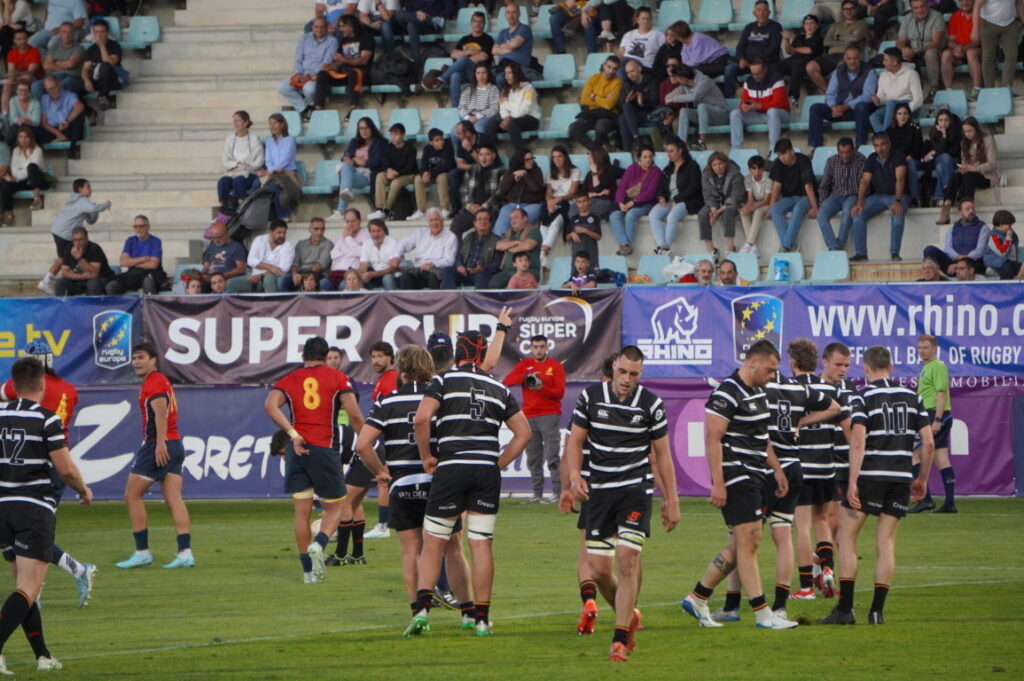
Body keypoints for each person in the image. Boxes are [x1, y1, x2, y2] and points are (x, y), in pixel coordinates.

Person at [404, 330, 532, 638]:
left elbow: (421, 420)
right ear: (482, 354)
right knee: (481, 544)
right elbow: (524, 433)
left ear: (456, 354)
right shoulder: (498, 387)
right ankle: (482, 620)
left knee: (434, 541)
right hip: (484, 471)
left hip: (452, 466)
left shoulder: (444, 380)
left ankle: (421, 611)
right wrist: (497, 464)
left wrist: (426, 457)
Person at [710, 340, 840, 623]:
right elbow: (834, 407)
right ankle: (781, 605)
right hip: (792, 466)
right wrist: (799, 424)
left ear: (791, 361)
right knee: (784, 537)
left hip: (760, 466)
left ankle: (732, 604)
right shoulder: (798, 388)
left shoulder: (758, 388)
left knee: (740, 537)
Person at [565, 345, 679, 660]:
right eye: (624, 371)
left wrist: (672, 499)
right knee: (599, 570)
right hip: (599, 491)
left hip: (634, 490)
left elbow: (663, 454)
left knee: (627, 559)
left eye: (634, 374)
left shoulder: (651, 404)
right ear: (614, 366)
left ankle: (619, 640)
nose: (627, 379)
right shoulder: (590, 397)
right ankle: (628, 614)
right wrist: (575, 476)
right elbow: (575, 440)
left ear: (641, 374)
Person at [680, 340, 799, 631]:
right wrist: (718, 483)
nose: (773, 375)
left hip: (757, 473)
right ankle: (762, 613)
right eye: (770, 370)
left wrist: (777, 470)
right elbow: (712, 438)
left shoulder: (759, 392)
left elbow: (762, 437)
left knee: (740, 545)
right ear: (754, 363)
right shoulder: (727, 392)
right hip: (737, 474)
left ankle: (697, 597)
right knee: (751, 540)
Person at [355, 344, 474, 625]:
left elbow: (363, 445)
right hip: (439, 482)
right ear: (429, 367)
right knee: (453, 547)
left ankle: (418, 613)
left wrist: (381, 471)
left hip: (403, 483)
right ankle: (469, 613)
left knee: (411, 551)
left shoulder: (387, 401)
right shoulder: (442, 398)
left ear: (401, 368)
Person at [819, 346, 934, 626]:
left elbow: (857, 441)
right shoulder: (912, 396)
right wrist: (922, 479)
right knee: (886, 543)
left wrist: (854, 481)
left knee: (847, 538)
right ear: (892, 367)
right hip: (900, 478)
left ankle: (845, 609)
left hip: (871, 475)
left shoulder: (863, 397)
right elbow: (929, 442)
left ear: (866, 369)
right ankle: (876, 612)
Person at [0, 356, 92, 675]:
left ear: (12, 386)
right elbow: (65, 468)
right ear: (41, 385)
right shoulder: (47, 419)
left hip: (2, 507)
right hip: (33, 507)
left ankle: (43, 656)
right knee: (28, 589)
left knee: (23, 590)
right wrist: (83, 490)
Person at [264, 336, 364, 583]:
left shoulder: (290, 379)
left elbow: (270, 406)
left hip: (297, 451)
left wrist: (293, 434)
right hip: (325, 449)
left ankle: (308, 572)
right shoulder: (337, 378)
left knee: (301, 514)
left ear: (303, 357)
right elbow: (354, 414)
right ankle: (320, 543)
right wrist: (366, 440)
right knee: (336, 507)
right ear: (325, 356)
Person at [115, 342, 194, 570]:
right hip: (174, 443)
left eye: (141, 357)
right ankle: (185, 553)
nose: (136, 362)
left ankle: (142, 552)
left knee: (131, 495)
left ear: (153, 360)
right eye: (134, 358)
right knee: (173, 499)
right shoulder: (158, 381)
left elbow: (161, 411)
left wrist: (159, 444)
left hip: (158, 444)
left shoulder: (155, 382)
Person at [788, 338, 852, 600]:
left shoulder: (788, 389)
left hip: (801, 466)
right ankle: (826, 568)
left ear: (792, 362)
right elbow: (848, 430)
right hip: (827, 466)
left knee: (801, 527)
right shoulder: (829, 390)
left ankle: (805, 587)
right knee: (822, 520)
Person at [504, 335, 566, 503]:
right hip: (529, 416)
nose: (539, 350)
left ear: (547, 348)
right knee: (533, 457)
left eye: (541, 346)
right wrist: (524, 377)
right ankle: (537, 493)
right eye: (535, 347)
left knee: (552, 456)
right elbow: (507, 381)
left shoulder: (555, 366)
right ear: (530, 348)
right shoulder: (525, 365)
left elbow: (559, 393)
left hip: (549, 415)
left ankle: (558, 492)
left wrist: (542, 387)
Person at [38, 177, 109, 295]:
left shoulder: (73, 201)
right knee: (63, 259)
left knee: (63, 258)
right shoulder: (82, 201)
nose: (90, 190)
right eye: (88, 187)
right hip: (65, 233)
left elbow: (91, 219)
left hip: (58, 231)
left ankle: (50, 280)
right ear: (80, 189)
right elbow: (93, 208)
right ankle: (46, 281)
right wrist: (106, 204)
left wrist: (95, 211)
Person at [850, 132, 911, 261]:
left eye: (883, 145)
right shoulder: (871, 158)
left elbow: (900, 179)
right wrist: (859, 203)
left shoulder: (898, 155)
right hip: (878, 196)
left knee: (897, 214)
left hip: (898, 195)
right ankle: (861, 253)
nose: (880, 148)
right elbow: (865, 181)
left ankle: (895, 253)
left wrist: (898, 201)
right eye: (877, 146)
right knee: (857, 215)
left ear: (889, 144)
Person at [808, 46, 876, 151]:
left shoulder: (869, 71)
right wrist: (833, 107)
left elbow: (867, 95)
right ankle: (816, 147)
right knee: (815, 108)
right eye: (849, 58)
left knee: (862, 107)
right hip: (839, 110)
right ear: (845, 58)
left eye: (855, 58)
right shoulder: (838, 71)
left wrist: (846, 106)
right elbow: (831, 93)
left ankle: (860, 145)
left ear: (860, 58)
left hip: (857, 111)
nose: (852, 61)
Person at [648, 139, 702, 256]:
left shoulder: (692, 166)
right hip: (670, 201)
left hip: (688, 200)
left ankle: (664, 247)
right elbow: (661, 187)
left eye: (671, 151)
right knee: (653, 215)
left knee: (672, 216)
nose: (669, 154)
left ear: (680, 151)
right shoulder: (667, 169)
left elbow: (694, 187)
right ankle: (662, 245)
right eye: (667, 151)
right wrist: (661, 196)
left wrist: (677, 199)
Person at [938, 117, 998, 223]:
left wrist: (975, 168)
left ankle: (966, 210)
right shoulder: (964, 142)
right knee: (955, 175)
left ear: (976, 129)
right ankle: (946, 206)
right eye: (965, 131)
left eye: (970, 131)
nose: (967, 134)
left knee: (969, 176)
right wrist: (963, 168)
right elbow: (964, 161)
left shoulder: (988, 139)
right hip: (969, 174)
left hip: (986, 176)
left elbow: (992, 164)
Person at [312, 14, 373, 119]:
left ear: (351, 26)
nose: (340, 29)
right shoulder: (343, 41)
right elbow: (339, 62)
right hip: (345, 73)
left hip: (361, 74)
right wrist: (331, 66)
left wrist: (345, 60)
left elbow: (363, 61)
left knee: (352, 72)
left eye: (342, 26)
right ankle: (318, 108)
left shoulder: (366, 39)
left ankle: (354, 107)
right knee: (322, 74)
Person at [277, 17, 338, 118]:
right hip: (302, 74)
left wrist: (308, 76)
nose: (319, 30)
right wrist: (298, 73)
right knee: (282, 86)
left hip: (317, 77)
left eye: (322, 27)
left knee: (309, 89)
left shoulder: (332, 41)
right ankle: (305, 109)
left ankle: (310, 108)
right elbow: (298, 58)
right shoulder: (304, 38)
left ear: (327, 27)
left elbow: (326, 63)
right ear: (312, 28)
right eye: (316, 27)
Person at [806, 0, 871, 94]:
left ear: (857, 9)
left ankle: (842, 94)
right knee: (810, 67)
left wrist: (837, 37)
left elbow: (855, 38)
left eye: (851, 9)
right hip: (832, 55)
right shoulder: (835, 25)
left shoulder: (862, 24)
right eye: (845, 9)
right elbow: (826, 42)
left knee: (842, 65)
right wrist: (845, 40)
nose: (848, 11)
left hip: (848, 55)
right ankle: (828, 93)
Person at [723, 0, 783, 98]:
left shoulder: (776, 27)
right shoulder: (749, 27)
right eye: (759, 10)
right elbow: (740, 46)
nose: (762, 13)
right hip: (747, 63)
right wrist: (741, 59)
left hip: (765, 63)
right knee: (729, 69)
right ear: (754, 13)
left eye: (765, 10)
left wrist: (754, 62)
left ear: (769, 12)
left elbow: (773, 49)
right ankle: (730, 100)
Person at [663, 63, 729, 152]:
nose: (677, 80)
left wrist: (675, 98)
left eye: (678, 77)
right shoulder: (685, 86)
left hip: (721, 114)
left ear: (683, 77)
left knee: (702, 106)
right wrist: (671, 97)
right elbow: (667, 97)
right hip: (705, 117)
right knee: (684, 111)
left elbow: (694, 96)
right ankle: (681, 143)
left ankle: (702, 142)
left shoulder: (704, 81)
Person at [730, 58, 790, 155]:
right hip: (759, 114)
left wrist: (759, 106)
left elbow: (779, 103)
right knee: (735, 114)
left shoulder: (776, 79)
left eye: (759, 73)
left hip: (780, 114)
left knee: (772, 111)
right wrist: (744, 106)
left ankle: (773, 149)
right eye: (754, 73)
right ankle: (736, 150)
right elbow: (743, 101)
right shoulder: (749, 80)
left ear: (765, 69)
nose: (756, 76)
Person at [434, 11, 493, 107]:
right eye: (475, 21)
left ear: (484, 24)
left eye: (480, 22)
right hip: (464, 74)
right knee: (455, 75)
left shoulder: (488, 39)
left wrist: (465, 59)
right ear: (471, 23)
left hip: (479, 73)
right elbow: (453, 54)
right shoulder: (464, 39)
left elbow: (483, 56)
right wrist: (471, 52)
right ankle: (455, 108)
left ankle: (441, 79)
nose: (477, 24)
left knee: (463, 59)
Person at [610, 145, 661, 256]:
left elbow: (651, 193)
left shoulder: (656, 172)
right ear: (639, 158)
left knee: (631, 214)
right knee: (614, 216)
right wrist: (620, 203)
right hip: (627, 202)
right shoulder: (632, 168)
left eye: (650, 156)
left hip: (646, 203)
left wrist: (634, 201)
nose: (648, 159)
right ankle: (625, 245)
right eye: (645, 157)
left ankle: (626, 246)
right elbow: (622, 187)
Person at [817, 137, 866, 251]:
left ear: (853, 150)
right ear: (838, 151)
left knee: (846, 216)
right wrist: (822, 203)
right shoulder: (831, 161)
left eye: (848, 152)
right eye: (842, 152)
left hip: (852, 195)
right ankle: (834, 246)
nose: (845, 155)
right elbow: (824, 184)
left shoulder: (861, 160)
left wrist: (860, 200)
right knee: (821, 215)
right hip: (835, 195)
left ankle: (837, 246)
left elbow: (864, 183)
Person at [769, 139, 818, 253]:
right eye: (779, 155)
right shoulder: (778, 163)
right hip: (789, 197)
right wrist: (771, 206)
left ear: (792, 151)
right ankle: (790, 244)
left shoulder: (803, 160)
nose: (782, 158)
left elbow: (808, 186)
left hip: (805, 196)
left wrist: (815, 206)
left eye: (784, 154)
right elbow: (776, 187)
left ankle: (785, 246)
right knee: (775, 209)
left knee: (798, 209)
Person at [448, 144, 505, 239]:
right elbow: (463, 191)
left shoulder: (501, 171)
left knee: (493, 228)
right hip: (472, 210)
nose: (484, 157)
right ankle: (459, 253)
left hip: (491, 209)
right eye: (481, 154)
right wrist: (469, 206)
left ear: (493, 155)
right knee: (455, 226)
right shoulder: (471, 170)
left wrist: (484, 207)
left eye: (487, 154)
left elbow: (500, 193)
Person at [537, 145, 581, 265]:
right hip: (553, 201)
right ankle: (543, 253)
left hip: (567, 202)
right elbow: (548, 192)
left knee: (555, 223)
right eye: (554, 157)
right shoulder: (551, 172)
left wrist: (558, 199)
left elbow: (572, 192)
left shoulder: (575, 171)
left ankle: (543, 251)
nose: (556, 160)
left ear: (565, 157)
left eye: (559, 156)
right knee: (543, 222)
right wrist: (549, 202)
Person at [923, 198, 990, 275]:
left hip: (973, 263)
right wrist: (957, 258)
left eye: (973, 209)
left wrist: (962, 263)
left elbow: (980, 250)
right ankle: (935, 277)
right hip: (954, 263)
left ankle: (959, 269)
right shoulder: (952, 229)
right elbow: (948, 249)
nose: (971, 211)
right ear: (960, 213)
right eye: (967, 209)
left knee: (981, 259)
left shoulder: (983, 228)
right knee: (929, 250)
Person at [568, 56, 622, 151]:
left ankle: (598, 151)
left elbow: (609, 105)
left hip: (608, 116)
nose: (610, 71)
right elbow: (584, 99)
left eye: (614, 69)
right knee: (574, 128)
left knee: (601, 128)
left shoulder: (618, 82)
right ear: (604, 65)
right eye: (609, 67)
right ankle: (595, 150)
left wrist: (595, 96)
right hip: (592, 114)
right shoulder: (594, 78)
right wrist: (603, 98)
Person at [698, 151, 745, 258]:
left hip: (733, 203)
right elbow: (707, 194)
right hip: (715, 203)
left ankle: (730, 248)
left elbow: (736, 196)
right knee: (702, 214)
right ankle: (711, 250)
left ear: (725, 163)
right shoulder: (706, 175)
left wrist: (718, 212)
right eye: (714, 165)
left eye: (719, 164)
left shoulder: (735, 174)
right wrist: (714, 209)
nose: (717, 167)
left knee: (727, 213)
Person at [397, 207, 457, 289]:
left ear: (442, 220)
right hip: (419, 270)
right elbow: (402, 244)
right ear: (428, 222)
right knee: (405, 277)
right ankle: (407, 302)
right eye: (431, 220)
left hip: (436, 272)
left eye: (436, 219)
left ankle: (435, 302)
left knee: (433, 276)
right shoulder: (421, 233)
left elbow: (449, 260)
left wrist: (433, 263)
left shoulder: (450, 237)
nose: (434, 223)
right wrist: (396, 256)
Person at [217, 111, 264, 216]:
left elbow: (259, 160)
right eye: (234, 121)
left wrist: (248, 166)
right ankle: (224, 207)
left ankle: (241, 205)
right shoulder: (230, 138)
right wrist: (236, 164)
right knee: (223, 181)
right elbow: (225, 159)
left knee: (239, 180)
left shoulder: (254, 138)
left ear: (246, 122)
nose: (235, 123)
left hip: (249, 173)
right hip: (234, 171)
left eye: (238, 120)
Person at [485, 62, 541, 150]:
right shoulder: (505, 90)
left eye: (509, 73)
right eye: (505, 73)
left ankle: (520, 154)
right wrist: (506, 118)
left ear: (516, 73)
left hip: (530, 119)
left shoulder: (528, 88)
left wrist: (509, 119)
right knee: (490, 125)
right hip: (511, 120)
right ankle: (492, 154)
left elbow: (525, 109)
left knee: (512, 124)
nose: (507, 76)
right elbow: (503, 108)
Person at [105, 215, 166, 295]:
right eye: (135, 226)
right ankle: (119, 307)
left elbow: (153, 264)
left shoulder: (155, 241)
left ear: (148, 227)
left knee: (148, 282)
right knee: (111, 286)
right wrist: (143, 259)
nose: (138, 229)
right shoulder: (130, 241)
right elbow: (123, 263)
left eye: (141, 226)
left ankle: (150, 307)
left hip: (149, 274)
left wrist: (132, 262)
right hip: (132, 275)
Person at [895, 0, 945, 97]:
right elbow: (900, 41)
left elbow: (936, 43)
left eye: (922, 6)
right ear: (912, 9)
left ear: (927, 5)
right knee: (899, 54)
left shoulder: (937, 17)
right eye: (916, 8)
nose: (920, 10)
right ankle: (906, 93)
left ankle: (934, 88)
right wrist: (903, 49)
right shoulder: (907, 18)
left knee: (930, 53)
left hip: (933, 50)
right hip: (913, 52)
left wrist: (915, 50)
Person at [369, 123, 418, 221]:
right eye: (392, 134)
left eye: (396, 134)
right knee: (380, 176)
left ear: (403, 135)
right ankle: (379, 208)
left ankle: (386, 209)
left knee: (396, 183)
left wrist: (397, 173)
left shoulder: (410, 148)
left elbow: (410, 167)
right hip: (393, 173)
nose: (393, 137)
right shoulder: (389, 147)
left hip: (408, 175)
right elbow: (384, 162)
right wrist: (388, 170)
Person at [870, 47, 923, 133]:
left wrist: (904, 111)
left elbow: (919, 99)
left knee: (891, 103)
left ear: (894, 62)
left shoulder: (911, 74)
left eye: (885, 60)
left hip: (909, 107)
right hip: (891, 109)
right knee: (874, 117)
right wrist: (878, 99)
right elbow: (882, 96)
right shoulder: (883, 76)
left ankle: (887, 135)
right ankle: (884, 135)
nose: (883, 63)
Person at [258, 113, 300, 219]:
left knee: (274, 188)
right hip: (272, 173)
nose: (272, 126)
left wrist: (270, 171)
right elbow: (268, 161)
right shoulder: (269, 141)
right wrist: (271, 170)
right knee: (256, 185)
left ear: (282, 125)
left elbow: (285, 160)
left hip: (287, 173)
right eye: (270, 124)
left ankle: (283, 215)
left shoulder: (289, 140)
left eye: (274, 123)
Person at [974, 0, 1023, 91]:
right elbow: (977, 5)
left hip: (1010, 24)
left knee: (1012, 55)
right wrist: (975, 29)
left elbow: (1019, 3)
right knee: (988, 57)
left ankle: (1007, 87)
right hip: (989, 23)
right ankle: (989, 89)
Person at [494, 148, 544, 236]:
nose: (531, 161)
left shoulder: (537, 171)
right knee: (501, 222)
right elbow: (503, 189)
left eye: (532, 158)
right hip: (512, 205)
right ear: (520, 161)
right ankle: (498, 245)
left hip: (532, 205)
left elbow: (536, 188)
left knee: (519, 221)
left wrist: (526, 175)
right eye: (527, 160)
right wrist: (513, 177)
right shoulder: (512, 171)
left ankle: (512, 243)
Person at [408, 129, 455, 221]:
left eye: (442, 139)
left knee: (441, 178)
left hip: (444, 174)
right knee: (418, 179)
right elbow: (423, 164)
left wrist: (430, 173)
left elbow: (446, 166)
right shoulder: (427, 149)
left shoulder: (449, 148)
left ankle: (445, 209)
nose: (441, 142)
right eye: (437, 140)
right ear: (431, 142)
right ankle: (421, 210)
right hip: (432, 175)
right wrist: (424, 173)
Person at [489, 207, 541, 288]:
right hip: (507, 271)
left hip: (528, 270)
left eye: (516, 217)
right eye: (511, 219)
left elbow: (527, 246)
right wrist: (517, 242)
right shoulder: (509, 234)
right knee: (493, 284)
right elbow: (498, 246)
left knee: (518, 283)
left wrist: (508, 247)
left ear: (525, 219)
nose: (513, 221)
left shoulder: (534, 231)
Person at [80, 18, 126, 111]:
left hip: (112, 80)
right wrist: (86, 80)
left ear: (107, 32)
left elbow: (110, 62)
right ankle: (90, 112)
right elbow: (85, 68)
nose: (99, 35)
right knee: (74, 87)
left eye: (102, 31)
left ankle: (103, 97)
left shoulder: (114, 46)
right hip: (96, 81)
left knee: (105, 66)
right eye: (96, 32)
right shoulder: (91, 49)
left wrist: (102, 46)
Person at [777, 15, 823, 106]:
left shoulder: (818, 38)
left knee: (797, 64)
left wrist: (794, 49)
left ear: (817, 26)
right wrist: (787, 40)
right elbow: (789, 51)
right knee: (773, 68)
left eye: (812, 23)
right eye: (806, 24)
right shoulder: (799, 37)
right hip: (793, 60)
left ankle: (793, 97)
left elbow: (809, 50)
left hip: (807, 62)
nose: (809, 26)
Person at [54, 225, 113, 296]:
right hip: (80, 280)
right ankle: (63, 306)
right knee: (60, 282)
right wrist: (82, 277)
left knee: (93, 282)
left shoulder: (94, 248)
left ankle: (91, 306)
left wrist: (78, 258)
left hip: (100, 279)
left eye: (81, 239)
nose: (78, 243)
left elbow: (94, 272)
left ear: (87, 239)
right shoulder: (69, 249)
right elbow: (65, 272)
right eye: (75, 240)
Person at [0, 125, 43, 222]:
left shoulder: (37, 150)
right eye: (20, 137)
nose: (23, 140)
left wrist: (15, 178)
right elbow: (14, 170)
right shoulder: (16, 151)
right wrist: (12, 179)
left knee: (31, 167)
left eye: (26, 137)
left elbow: (32, 169)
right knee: (4, 183)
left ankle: (37, 198)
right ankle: (7, 213)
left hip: (35, 181)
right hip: (20, 180)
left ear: (30, 138)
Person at [885, 101, 925, 206]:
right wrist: (900, 158)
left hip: (913, 159)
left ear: (909, 115)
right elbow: (888, 149)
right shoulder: (890, 130)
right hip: (897, 160)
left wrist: (910, 156)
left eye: (905, 113)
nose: (902, 116)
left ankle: (913, 197)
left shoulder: (915, 128)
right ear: (895, 115)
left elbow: (919, 148)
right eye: (899, 113)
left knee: (910, 164)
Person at [35, 74, 84, 159]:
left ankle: (73, 147)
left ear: (59, 84)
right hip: (53, 130)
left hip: (66, 126)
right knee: (34, 129)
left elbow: (80, 107)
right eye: (49, 89)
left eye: (54, 87)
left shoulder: (69, 95)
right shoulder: (44, 99)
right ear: (46, 90)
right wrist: (58, 133)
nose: (53, 91)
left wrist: (67, 121)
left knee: (78, 118)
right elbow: (44, 123)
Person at [281, 218, 333, 292]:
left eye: (322, 229)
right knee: (283, 280)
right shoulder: (301, 244)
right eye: (316, 229)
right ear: (309, 229)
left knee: (322, 283)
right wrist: (294, 275)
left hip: (318, 275)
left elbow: (319, 266)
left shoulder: (328, 244)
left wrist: (303, 277)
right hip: (300, 273)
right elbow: (295, 264)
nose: (319, 232)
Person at [618, 59, 659, 153]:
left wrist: (642, 103)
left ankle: (627, 150)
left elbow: (655, 103)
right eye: (628, 73)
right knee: (624, 110)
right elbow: (620, 106)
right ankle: (635, 138)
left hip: (648, 114)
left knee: (623, 117)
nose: (630, 75)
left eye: (632, 71)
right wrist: (626, 100)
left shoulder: (651, 81)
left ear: (639, 69)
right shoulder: (627, 84)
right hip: (632, 117)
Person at [452, 63, 499, 144]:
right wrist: (467, 117)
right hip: (468, 118)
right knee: (454, 132)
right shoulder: (468, 89)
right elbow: (461, 107)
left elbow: (494, 108)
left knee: (478, 129)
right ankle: (458, 156)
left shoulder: (493, 89)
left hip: (484, 118)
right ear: (475, 75)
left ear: (488, 74)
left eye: (484, 73)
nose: (481, 76)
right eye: (478, 73)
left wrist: (478, 116)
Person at [941, 0, 981, 96]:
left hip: (976, 49)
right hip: (959, 50)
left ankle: (977, 90)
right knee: (946, 54)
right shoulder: (955, 16)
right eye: (962, 0)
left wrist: (964, 48)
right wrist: (957, 47)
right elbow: (951, 41)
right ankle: (949, 91)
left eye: (968, 0)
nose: (965, 3)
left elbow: (981, 41)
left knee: (970, 53)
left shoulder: (981, 15)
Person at [454, 208, 501, 289]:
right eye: (479, 219)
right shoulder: (468, 237)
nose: (483, 222)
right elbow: (459, 255)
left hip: (482, 273)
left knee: (482, 275)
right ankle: (451, 299)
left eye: (486, 219)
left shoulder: (496, 240)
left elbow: (497, 263)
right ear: (474, 223)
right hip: (465, 272)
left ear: (490, 223)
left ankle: (479, 300)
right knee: (447, 271)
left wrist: (483, 268)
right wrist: (459, 265)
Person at [36, 22, 84, 100]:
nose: (67, 35)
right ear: (59, 33)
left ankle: (55, 109)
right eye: (64, 32)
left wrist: (55, 62)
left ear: (73, 34)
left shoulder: (79, 48)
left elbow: (71, 64)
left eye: (70, 32)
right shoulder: (54, 47)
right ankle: (45, 109)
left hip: (72, 77)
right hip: (53, 77)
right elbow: (46, 65)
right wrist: (64, 66)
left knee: (60, 87)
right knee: (36, 86)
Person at [491, 1, 535, 86]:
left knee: (500, 78)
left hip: (519, 69)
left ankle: (505, 98)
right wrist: (509, 49)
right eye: (508, 13)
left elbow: (514, 45)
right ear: (505, 15)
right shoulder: (503, 32)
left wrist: (502, 46)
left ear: (519, 14)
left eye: (513, 12)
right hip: (503, 67)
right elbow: (494, 50)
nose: (511, 16)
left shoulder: (525, 29)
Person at [923, 109, 961, 206]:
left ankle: (939, 197)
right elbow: (940, 150)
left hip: (953, 161)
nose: (943, 123)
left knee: (940, 167)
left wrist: (935, 151)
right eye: (940, 120)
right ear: (937, 121)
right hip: (939, 159)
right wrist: (944, 136)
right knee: (944, 157)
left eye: (946, 120)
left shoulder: (956, 132)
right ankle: (949, 193)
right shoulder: (934, 133)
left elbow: (955, 151)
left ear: (950, 121)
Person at [323, 208, 366, 290]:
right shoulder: (343, 236)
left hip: (353, 275)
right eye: (347, 221)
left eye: (353, 221)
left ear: (360, 221)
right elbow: (333, 255)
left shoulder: (366, 236)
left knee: (343, 286)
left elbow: (362, 253)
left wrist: (348, 238)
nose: (350, 224)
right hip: (336, 273)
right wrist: (352, 253)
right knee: (321, 285)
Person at [3, 29, 41, 117]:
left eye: (24, 38)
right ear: (14, 40)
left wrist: (14, 75)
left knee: (26, 77)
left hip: (35, 78)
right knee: (7, 85)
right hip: (18, 78)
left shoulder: (34, 52)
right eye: (19, 39)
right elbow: (11, 73)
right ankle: (5, 115)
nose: (22, 41)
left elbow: (30, 72)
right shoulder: (12, 53)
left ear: (27, 39)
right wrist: (12, 77)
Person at [738, 155, 771, 255]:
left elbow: (766, 200)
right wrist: (747, 207)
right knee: (743, 212)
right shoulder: (747, 178)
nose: (757, 171)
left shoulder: (769, 178)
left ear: (763, 168)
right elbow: (750, 198)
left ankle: (748, 243)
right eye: (754, 168)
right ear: (749, 169)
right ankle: (753, 246)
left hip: (768, 204)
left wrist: (751, 208)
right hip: (756, 202)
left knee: (757, 212)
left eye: (759, 168)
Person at [200, 219, 247, 289]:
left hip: (227, 278)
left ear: (227, 234)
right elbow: (206, 266)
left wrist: (221, 275)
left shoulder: (236, 247)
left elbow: (241, 269)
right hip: (211, 278)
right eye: (214, 238)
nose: (216, 240)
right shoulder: (211, 247)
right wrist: (204, 274)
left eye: (219, 237)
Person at [356, 217, 399, 290]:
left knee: (387, 279)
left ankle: (391, 300)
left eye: (379, 231)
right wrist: (360, 275)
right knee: (355, 281)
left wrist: (373, 274)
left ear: (384, 231)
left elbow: (392, 269)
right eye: (373, 231)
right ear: (369, 232)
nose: (376, 234)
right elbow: (363, 266)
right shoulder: (367, 243)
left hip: (389, 274)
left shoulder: (392, 242)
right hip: (373, 275)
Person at [984, 209, 1022, 279]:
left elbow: (1014, 245)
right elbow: (1002, 252)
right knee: (1008, 272)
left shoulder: (1010, 233)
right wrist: (1008, 237)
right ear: (1001, 224)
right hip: (996, 262)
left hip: (1008, 262)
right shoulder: (993, 236)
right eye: (1009, 225)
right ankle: (1005, 288)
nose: (1010, 227)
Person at [568, 192, 603, 266]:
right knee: (577, 276)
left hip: (591, 252)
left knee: (592, 275)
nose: (582, 204)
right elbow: (566, 236)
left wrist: (585, 231)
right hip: (577, 253)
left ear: (589, 202)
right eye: (579, 202)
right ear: (576, 204)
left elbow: (599, 237)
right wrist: (572, 234)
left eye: (584, 201)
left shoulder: (595, 218)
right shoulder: (573, 219)